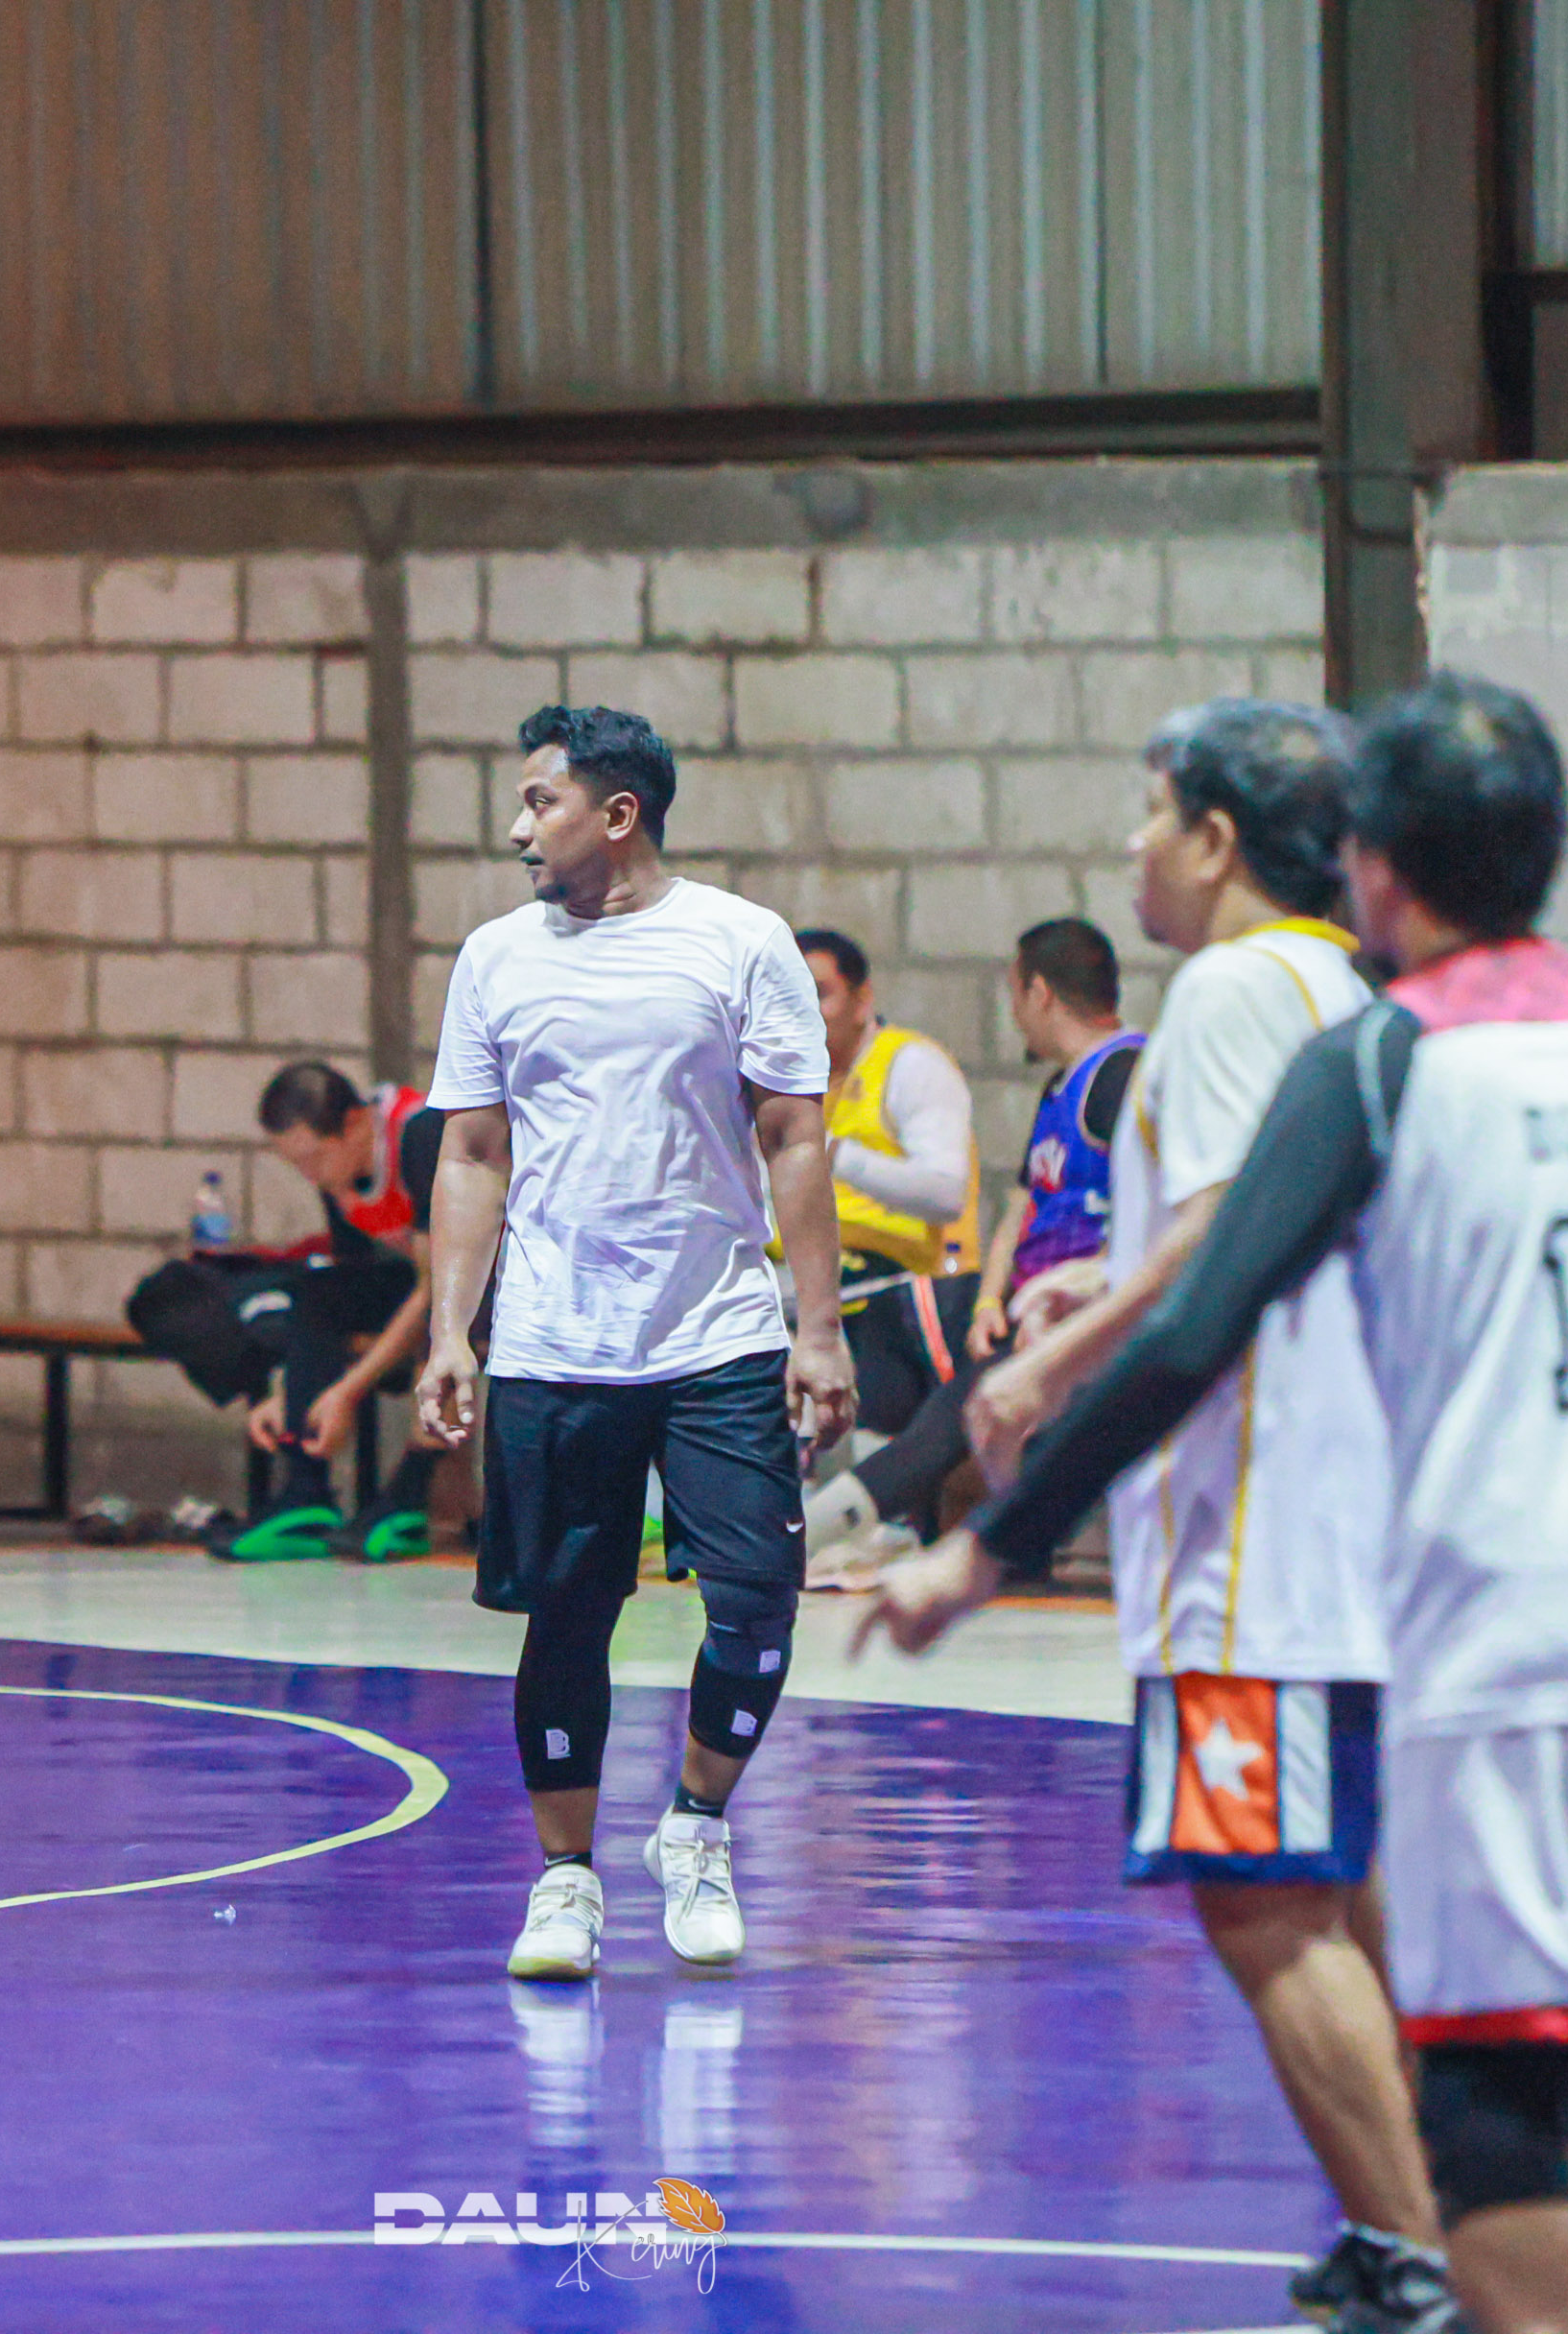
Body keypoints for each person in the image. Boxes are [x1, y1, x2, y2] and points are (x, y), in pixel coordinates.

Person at [864, 676, 1568, 2334]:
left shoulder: (1384, 1057)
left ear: (1374, 860)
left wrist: (983, 1552)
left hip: (1513, 1601)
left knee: (1489, 2065)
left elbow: (1197, 1328)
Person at [897, 702, 1448, 2327]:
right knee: (1346, 1889)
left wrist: (1044, 1362)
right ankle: (1431, 2214)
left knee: (1261, 1896)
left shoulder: (1223, 989)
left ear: (1216, 839)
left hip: (1254, 1529)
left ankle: (1425, 2252)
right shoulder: (1349, 988)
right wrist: (1099, 1282)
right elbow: (1257, 1224)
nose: (1132, 847)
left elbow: (1215, 1243)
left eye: (1150, 813)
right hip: (1357, 1510)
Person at [417, 703, 855, 1982]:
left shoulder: (741, 942)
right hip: (555, 1346)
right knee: (567, 1617)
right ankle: (566, 1882)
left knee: (759, 1601)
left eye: (538, 802)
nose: (518, 830)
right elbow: (472, 1153)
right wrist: (452, 1333)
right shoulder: (495, 958)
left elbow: (794, 1138)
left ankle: (698, 1823)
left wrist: (817, 1329)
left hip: (716, 1336)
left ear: (618, 815)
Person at [802, 917, 1140, 1586]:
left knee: (954, 1416)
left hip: (1086, 1316)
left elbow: (1154, 1206)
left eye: (1014, 995)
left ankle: (797, 1542)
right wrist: (991, 1298)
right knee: (948, 1408)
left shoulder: (1123, 1076)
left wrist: (1097, 1286)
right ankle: (881, 1535)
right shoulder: (1061, 1084)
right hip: (1023, 1311)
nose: (1012, 1015)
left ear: (1039, 992)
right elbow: (1023, 1204)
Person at [222, 1062, 442, 1562]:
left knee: (448, 1331)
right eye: (297, 1165)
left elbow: (439, 1288)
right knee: (319, 1292)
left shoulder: (422, 1136)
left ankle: (410, 1495)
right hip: (428, 1283)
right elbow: (351, 1278)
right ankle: (306, 1490)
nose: (311, 1175)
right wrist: (289, 1392)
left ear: (355, 1123)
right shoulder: (337, 1174)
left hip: (498, 1286)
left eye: (313, 1159)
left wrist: (347, 1390)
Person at [794, 930, 978, 1459]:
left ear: (863, 999)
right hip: (799, 1294)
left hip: (893, 1297)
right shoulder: (784, 1074)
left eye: (820, 993)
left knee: (870, 1458)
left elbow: (946, 1192)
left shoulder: (910, 1064)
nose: (804, 1009)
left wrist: (834, 1154)